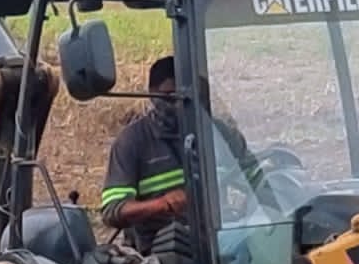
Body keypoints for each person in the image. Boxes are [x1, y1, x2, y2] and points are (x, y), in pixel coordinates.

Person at [99, 55, 270, 252]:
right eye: (172, 97)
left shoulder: (219, 133)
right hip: (161, 251)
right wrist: (162, 204)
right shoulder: (132, 141)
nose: (181, 105)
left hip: (219, 241)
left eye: (191, 97)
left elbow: (256, 178)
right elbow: (112, 210)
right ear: (152, 95)